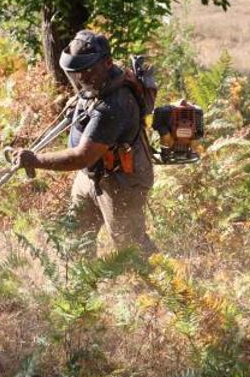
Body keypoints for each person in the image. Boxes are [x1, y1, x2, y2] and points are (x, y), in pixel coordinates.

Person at [12, 30, 157, 256]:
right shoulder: (96, 85)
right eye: (76, 74)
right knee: (76, 238)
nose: (82, 79)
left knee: (132, 251)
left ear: (107, 63)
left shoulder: (114, 105)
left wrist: (35, 160)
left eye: (88, 72)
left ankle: (171, 289)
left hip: (121, 183)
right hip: (91, 177)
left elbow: (82, 156)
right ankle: (82, 289)